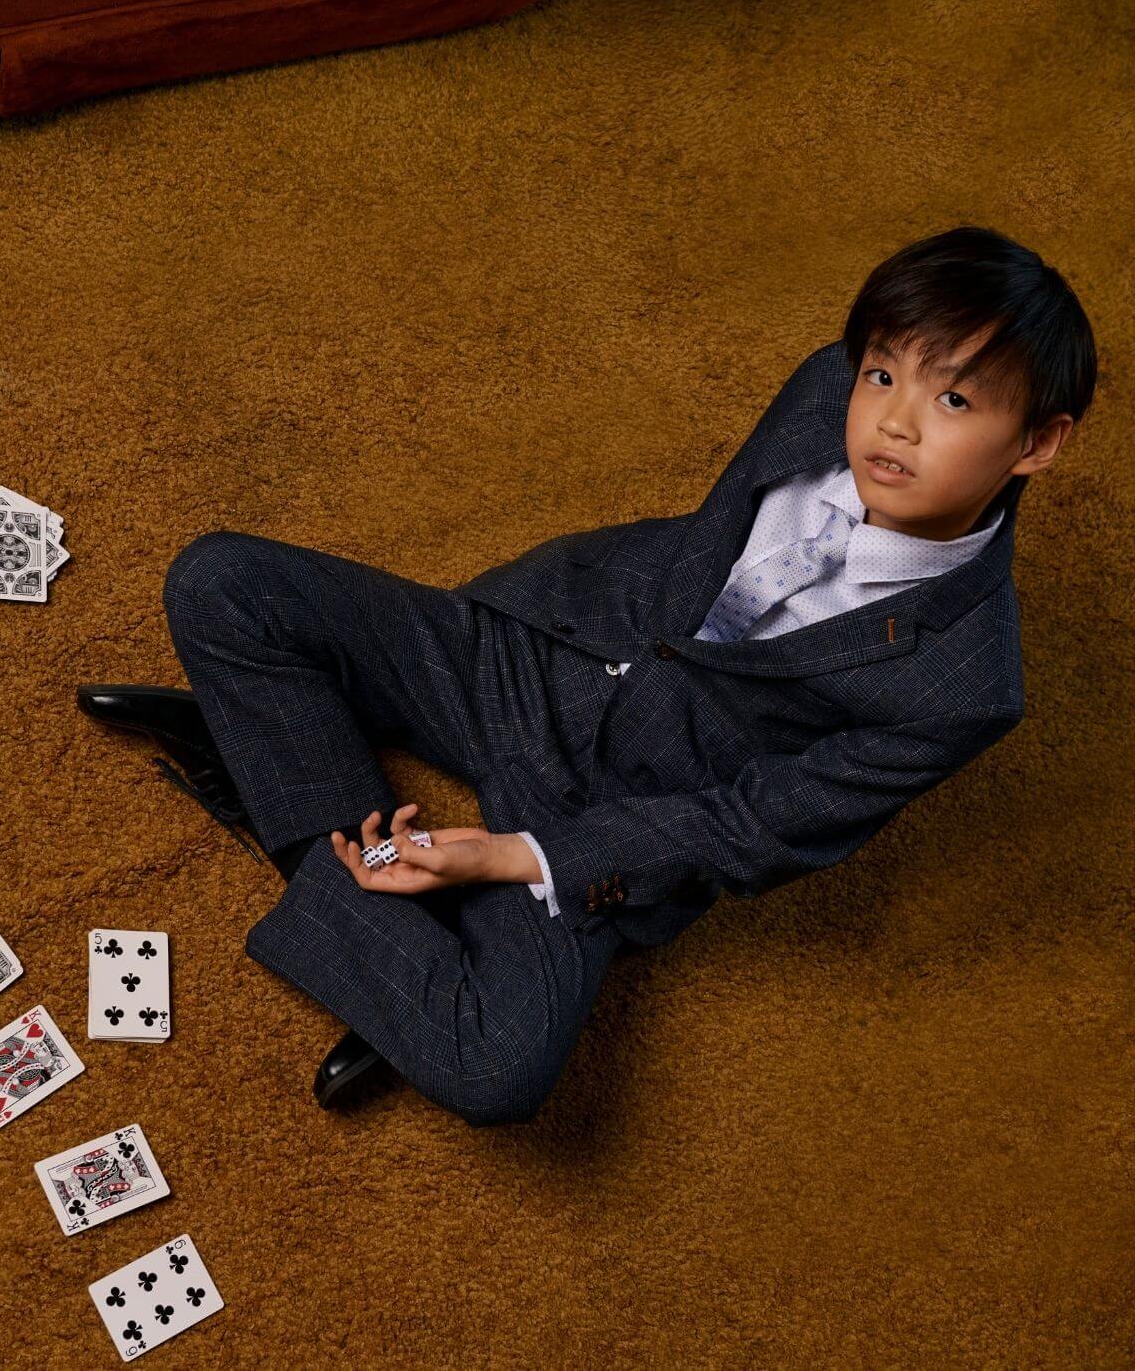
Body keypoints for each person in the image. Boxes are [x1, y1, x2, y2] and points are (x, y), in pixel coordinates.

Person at [78, 224, 1096, 1127]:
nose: (894, 424)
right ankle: (367, 904)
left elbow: (751, 831)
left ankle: (283, 808)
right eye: (883, 374)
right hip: (533, 652)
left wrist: (510, 859)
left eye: (954, 397)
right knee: (223, 581)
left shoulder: (968, 688)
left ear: (1038, 443)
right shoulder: (825, 387)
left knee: (499, 1070)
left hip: (612, 805)